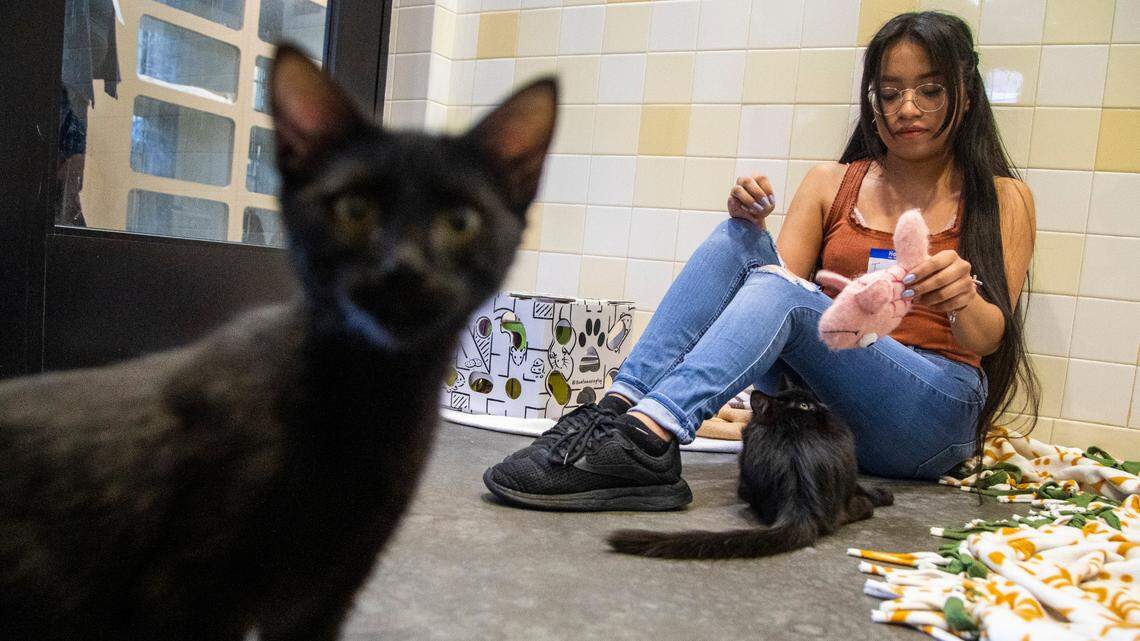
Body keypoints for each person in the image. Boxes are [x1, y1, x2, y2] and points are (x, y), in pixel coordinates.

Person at [483, 11, 1038, 511]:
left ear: (965, 95)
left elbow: (989, 340)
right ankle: (616, 413)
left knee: (786, 293)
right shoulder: (832, 183)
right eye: (889, 93)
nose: (906, 109)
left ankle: (650, 435)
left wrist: (964, 298)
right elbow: (771, 292)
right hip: (823, 418)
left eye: (930, 90)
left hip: (929, 415)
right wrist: (750, 221)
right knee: (736, 241)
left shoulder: (1002, 197)